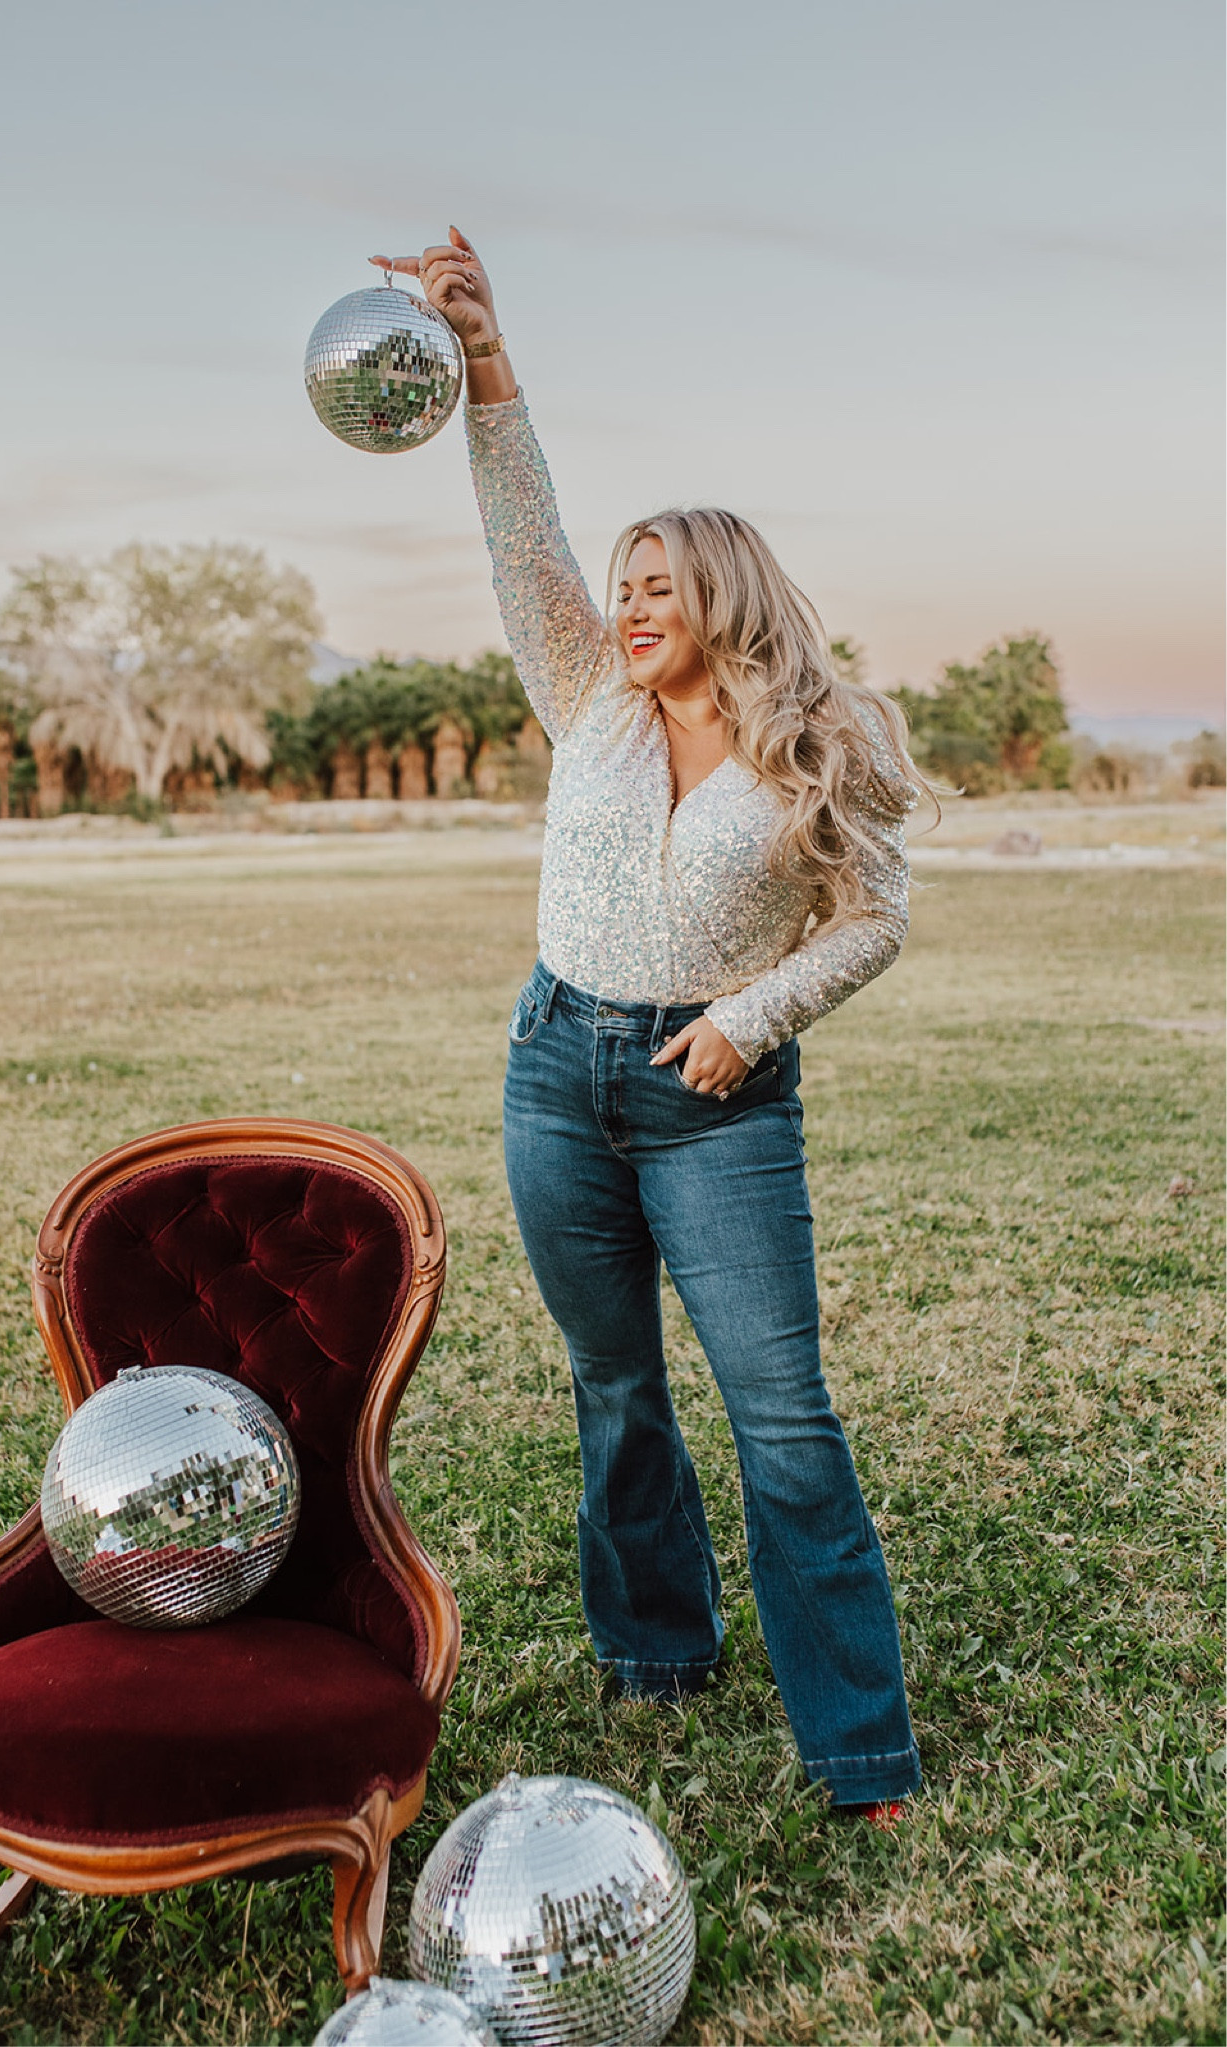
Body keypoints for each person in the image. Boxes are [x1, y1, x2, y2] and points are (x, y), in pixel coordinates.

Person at [373, 228, 926, 1817]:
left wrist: (749, 1019)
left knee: (782, 1414)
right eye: (620, 586)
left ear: (723, 596)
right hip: (557, 1068)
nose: (625, 606)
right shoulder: (586, 695)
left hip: (717, 1099)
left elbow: (874, 915)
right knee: (613, 1386)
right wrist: (484, 357)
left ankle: (858, 1748)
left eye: (657, 586)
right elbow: (518, 529)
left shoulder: (822, 740)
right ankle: (656, 1650)